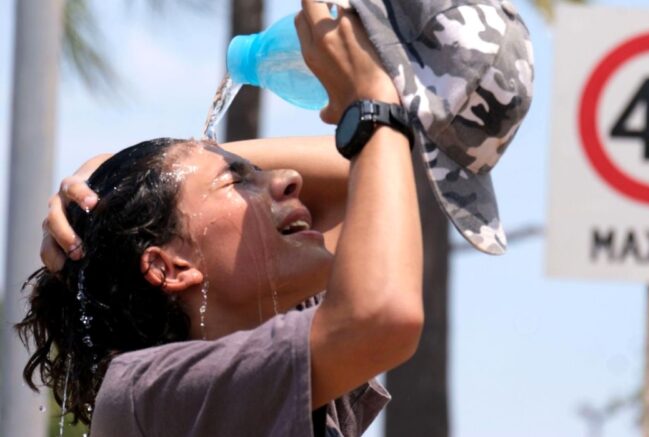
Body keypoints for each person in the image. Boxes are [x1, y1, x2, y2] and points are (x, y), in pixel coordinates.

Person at [20, 2, 423, 436]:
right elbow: (383, 313)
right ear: (168, 266)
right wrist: (372, 103)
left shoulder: (282, 348)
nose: (290, 179)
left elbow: (371, 176)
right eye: (237, 181)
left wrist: (134, 161)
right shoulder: (145, 393)